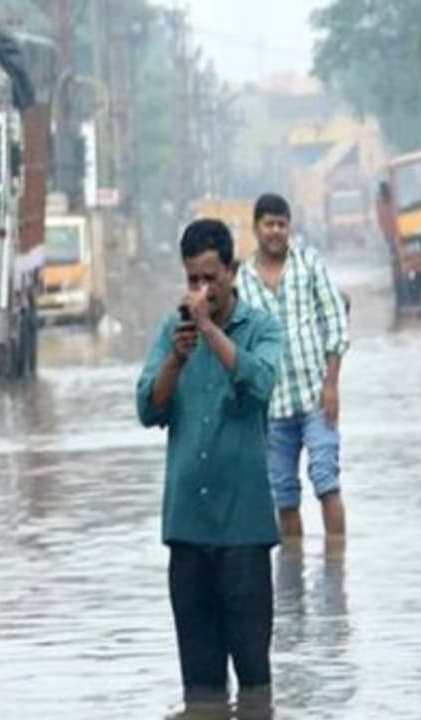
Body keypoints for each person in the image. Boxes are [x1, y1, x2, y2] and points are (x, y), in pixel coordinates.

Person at [136, 219, 284, 707]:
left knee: (256, 689)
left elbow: (258, 384)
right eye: (192, 280)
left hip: (243, 531)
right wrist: (176, 359)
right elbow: (148, 408)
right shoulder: (171, 332)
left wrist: (209, 330)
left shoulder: (261, 328)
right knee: (200, 691)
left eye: (209, 279)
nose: (200, 291)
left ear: (232, 273)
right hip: (188, 531)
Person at [237, 193, 350, 539]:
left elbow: (335, 323)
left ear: (290, 228)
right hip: (272, 409)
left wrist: (331, 384)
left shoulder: (308, 265)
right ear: (256, 228)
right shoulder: (241, 281)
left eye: (281, 224)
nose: (275, 231)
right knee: (284, 497)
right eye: (268, 224)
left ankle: (337, 570)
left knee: (326, 481)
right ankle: (292, 577)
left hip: (316, 397)